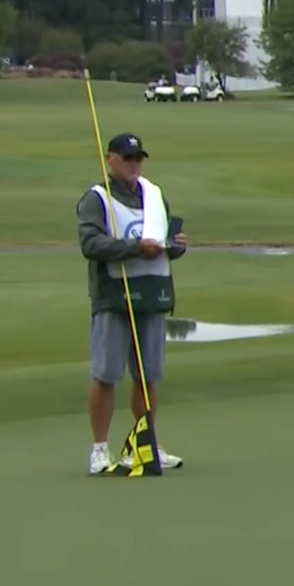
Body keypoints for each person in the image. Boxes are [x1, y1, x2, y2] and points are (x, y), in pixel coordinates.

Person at [77, 132, 188, 474]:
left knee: (147, 375)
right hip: (113, 296)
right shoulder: (97, 198)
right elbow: (91, 244)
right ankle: (99, 450)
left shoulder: (154, 196)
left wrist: (175, 244)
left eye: (138, 158)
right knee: (106, 374)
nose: (134, 164)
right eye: (127, 158)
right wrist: (136, 248)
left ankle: (145, 443)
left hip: (151, 294)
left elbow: (163, 240)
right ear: (110, 159)